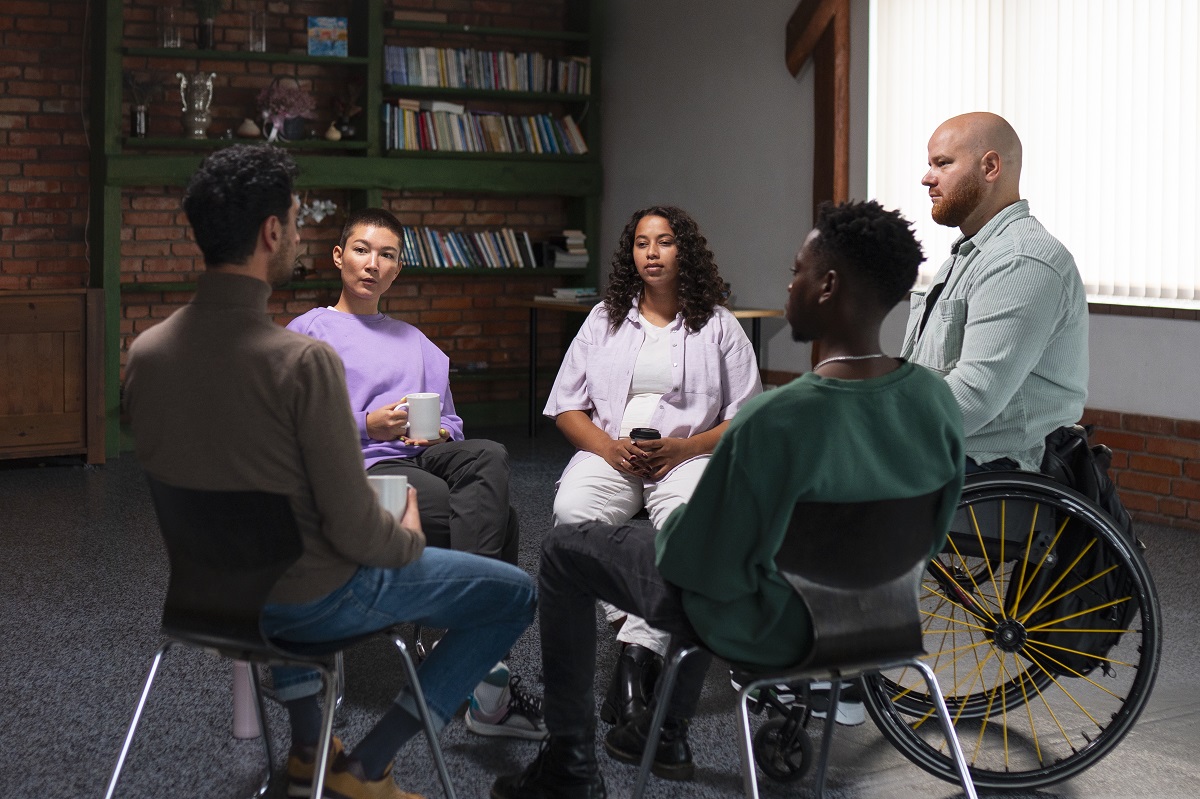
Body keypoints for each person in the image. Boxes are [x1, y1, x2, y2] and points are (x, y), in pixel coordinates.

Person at [492, 200, 965, 798]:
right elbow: (934, 527)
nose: (787, 286)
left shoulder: (777, 417)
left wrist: (669, 520)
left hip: (768, 625)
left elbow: (701, 560)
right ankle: (659, 729)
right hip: (880, 625)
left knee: (566, 552)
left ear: (828, 286)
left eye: (797, 271)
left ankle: (571, 770)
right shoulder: (936, 400)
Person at [123, 145, 537, 799]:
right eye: (293, 221)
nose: (296, 234)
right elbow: (359, 535)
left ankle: (310, 746)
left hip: (206, 592)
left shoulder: (145, 353)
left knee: (287, 554)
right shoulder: (301, 358)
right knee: (515, 593)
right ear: (270, 234)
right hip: (308, 599)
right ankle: (368, 766)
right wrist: (402, 530)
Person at [286, 207, 544, 741]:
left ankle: (468, 641)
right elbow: (286, 423)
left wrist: (438, 434)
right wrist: (365, 424)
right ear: (338, 258)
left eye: (386, 255)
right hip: (354, 471)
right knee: (505, 520)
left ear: (397, 270)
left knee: (490, 454)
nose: (372, 264)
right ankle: (482, 673)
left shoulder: (415, 340)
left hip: (416, 457)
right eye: (361, 250)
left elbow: (450, 419)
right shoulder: (310, 330)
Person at [543, 205, 762, 728]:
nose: (652, 252)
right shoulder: (604, 319)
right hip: (611, 451)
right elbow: (565, 407)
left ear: (684, 250)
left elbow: (747, 416)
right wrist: (607, 448)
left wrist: (684, 450)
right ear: (632, 254)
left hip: (689, 454)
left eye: (664, 241)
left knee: (688, 529)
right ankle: (639, 629)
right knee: (571, 514)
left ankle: (635, 662)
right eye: (642, 243)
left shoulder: (719, 324)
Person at [902, 111, 1088, 473]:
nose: (927, 178)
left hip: (992, 467)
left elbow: (974, 396)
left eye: (942, 164)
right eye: (929, 165)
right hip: (948, 453)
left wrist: (877, 432)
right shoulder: (971, 254)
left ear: (990, 167)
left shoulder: (1022, 259)